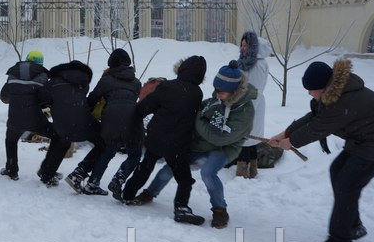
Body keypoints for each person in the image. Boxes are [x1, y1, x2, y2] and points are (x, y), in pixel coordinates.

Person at [269, 59, 374, 242]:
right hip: (365, 139)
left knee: (347, 183)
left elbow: (318, 127)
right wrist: (286, 133)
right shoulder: (334, 94)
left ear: (323, 87)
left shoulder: (343, 101)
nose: (309, 93)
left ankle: (339, 241)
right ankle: (352, 226)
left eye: (311, 89)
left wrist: (290, 142)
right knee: (339, 173)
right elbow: (314, 118)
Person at [138, 61, 256, 229]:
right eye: (216, 90)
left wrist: (199, 120)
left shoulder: (245, 110)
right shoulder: (218, 98)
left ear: (235, 91)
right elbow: (201, 108)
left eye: (222, 92)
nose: (217, 94)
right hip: (202, 143)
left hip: (224, 148)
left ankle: (220, 210)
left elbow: (219, 139)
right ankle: (149, 193)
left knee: (208, 173)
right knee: (173, 165)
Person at [118, 56, 207, 225]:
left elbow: (144, 107)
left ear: (181, 69)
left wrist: (137, 117)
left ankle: (128, 194)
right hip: (178, 143)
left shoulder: (167, 86)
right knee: (184, 178)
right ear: (200, 76)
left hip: (156, 137)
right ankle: (181, 208)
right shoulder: (197, 93)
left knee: (146, 166)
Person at [78, 49, 143, 196]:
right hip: (133, 120)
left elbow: (93, 98)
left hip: (112, 120)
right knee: (135, 154)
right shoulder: (136, 82)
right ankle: (119, 179)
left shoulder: (106, 80)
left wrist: (83, 111)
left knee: (108, 151)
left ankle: (92, 183)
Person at [36, 60, 104, 188]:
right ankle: (80, 172)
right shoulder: (83, 83)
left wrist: (52, 102)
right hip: (83, 122)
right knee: (103, 142)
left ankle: (46, 173)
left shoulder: (54, 82)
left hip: (62, 122)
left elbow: (41, 99)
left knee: (61, 138)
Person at [0, 50, 51, 181]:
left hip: (15, 119)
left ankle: (11, 170)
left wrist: (17, 96)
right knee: (58, 137)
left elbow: (4, 98)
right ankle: (48, 169)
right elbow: (45, 100)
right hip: (35, 119)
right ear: (40, 63)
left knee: (10, 141)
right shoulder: (44, 76)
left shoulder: (13, 74)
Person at [235, 31, 270, 178]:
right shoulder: (248, 61)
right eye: (241, 45)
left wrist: (245, 112)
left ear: (253, 46)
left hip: (249, 105)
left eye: (246, 45)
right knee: (250, 139)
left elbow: (253, 90)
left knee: (244, 139)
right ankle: (253, 169)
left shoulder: (255, 65)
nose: (243, 48)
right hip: (249, 104)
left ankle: (242, 173)